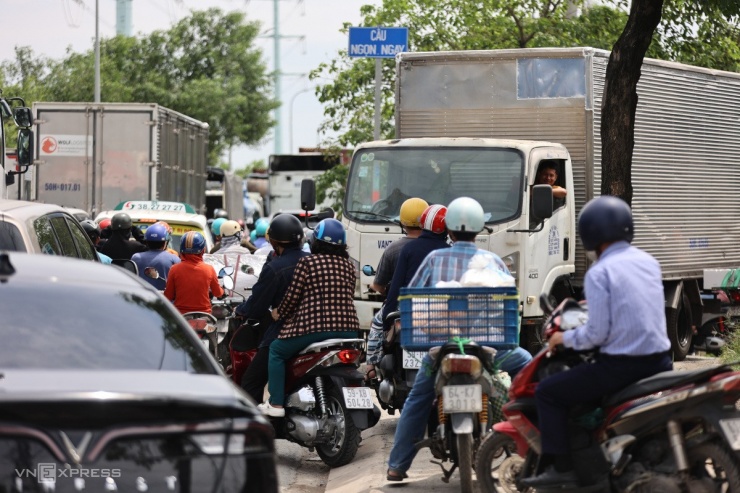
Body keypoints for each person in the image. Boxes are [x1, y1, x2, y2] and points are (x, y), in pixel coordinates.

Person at [522, 196, 672, 488]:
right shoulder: (648, 261)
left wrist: (562, 337)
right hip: (661, 360)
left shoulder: (600, 272)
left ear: (591, 234)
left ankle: (562, 468)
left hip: (623, 366)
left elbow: (597, 334)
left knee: (550, 392)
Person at [386, 197, 532, 482]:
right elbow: (510, 305)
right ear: (478, 230)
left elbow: (412, 297)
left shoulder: (433, 259)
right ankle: (531, 446)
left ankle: (397, 466)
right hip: (490, 350)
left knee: (418, 398)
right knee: (527, 364)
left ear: (449, 231)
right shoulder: (492, 261)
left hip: (442, 351)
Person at [259, 218, 360, 417]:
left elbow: (292, 298)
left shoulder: (308, 262)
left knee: (276, 351)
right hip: (348, 329)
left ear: (316, 242)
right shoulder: (348, 267)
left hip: (314, 329)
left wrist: (278, 312)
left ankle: (276, 403)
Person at [234, 213, 310, 403]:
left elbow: (257, 305)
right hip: (318, 327)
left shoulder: (275, 268)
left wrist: (241, 311)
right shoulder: (313, 260)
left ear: (274, 241)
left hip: (285, 330)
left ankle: (257, 427)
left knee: (251, 382)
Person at [365, 198, 429, 379]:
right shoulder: (433, 247)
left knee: (377, 324)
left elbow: (379, 285)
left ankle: (370, 366)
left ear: (402, 222)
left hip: (400, 306)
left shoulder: (394, 249)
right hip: (430, 306)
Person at [163, 231, 224, 314]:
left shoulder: (174, 269)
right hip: (205, 315)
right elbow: (218, 293)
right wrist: (222, 291)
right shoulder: (209, 269)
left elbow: (168, 296)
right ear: (203, 250)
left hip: (182, 316)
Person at [131, 223, 180, 290]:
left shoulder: (136, 257)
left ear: (147, 242)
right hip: (164, 299)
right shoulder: (174, 259)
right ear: (165, 242)